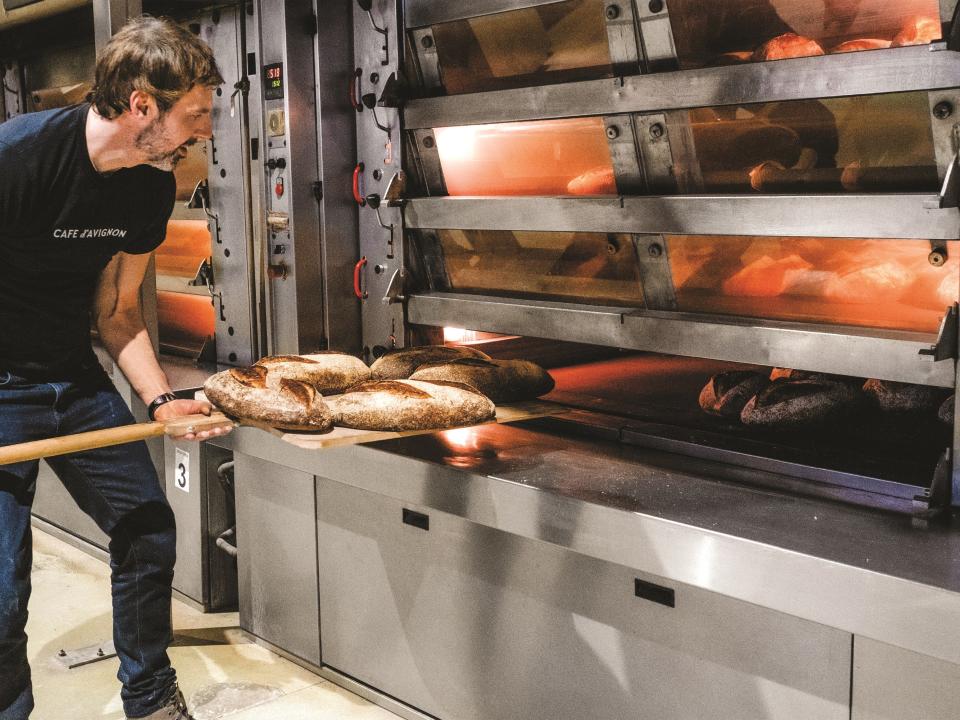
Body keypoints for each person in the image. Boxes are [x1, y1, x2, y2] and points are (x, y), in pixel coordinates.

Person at [0, 16, 233, 720]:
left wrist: (161, 401)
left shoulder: (147, 188)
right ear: (141, 107)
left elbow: (118, 310)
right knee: (2, 585)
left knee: (147, 528)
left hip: (70, 375)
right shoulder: (18, 160)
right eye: (195, 115)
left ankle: (151, 697)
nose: (207, 131)